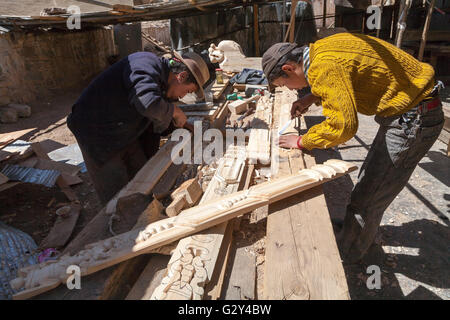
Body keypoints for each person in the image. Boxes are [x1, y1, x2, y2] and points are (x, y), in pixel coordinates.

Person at [262, 33, 444, 263]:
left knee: (369, 195)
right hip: (416, 107)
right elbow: (343, 73)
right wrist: (310, 98)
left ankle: (347, 254)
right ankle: (352, 233)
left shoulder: (322, 68)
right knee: (369, 184)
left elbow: (344, 126)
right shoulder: (321, 48)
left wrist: (301, 141)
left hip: (415, 118)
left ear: (288, 68)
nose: (289, 89)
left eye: (284, 84)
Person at [67, 51, 210, 204]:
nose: (182, 97)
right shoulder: (144, 63)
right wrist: (174, 111)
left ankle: (143, 212)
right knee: (116, 195)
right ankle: (118, 224)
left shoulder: (163, 81)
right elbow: (147, 103)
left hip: (123, 129)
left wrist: (182, 126)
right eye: (187, 91)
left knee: (144, 174)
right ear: (181, 76)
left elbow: (155, 116)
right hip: (96, 133)